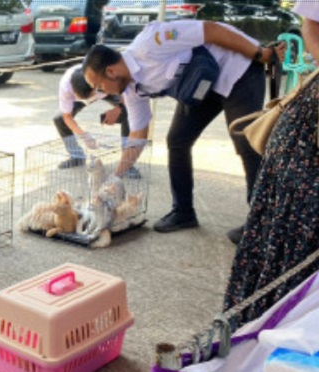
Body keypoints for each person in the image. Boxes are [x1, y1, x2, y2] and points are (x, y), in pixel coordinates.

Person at [81, 20, 284, 243]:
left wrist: (260, 54)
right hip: (201, 86)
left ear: (110, 71)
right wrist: (115, 177)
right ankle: (183, 212)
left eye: (100, 87)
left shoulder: (151, 43)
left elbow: (211, 30)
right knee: (177, 140)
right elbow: (138, 134)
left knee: (247, 142)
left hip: (237, 69)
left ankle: (261, 223)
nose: (102, 93)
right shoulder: (131, 90)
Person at [223, 0, 319, 324]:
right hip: (303, 155)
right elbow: (313, 25)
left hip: (301, 160)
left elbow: (312, 25)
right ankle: (262, 335)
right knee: (287, 250)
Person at [54, 64, 139, 179]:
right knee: (59, 119)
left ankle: (127, 163)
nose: (90, 100)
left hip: (105, 90)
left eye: (91, 95)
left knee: (128, 112)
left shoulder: (106, 75)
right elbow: (67, 116)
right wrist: (84, 136)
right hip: (88, 92)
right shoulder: (66, 86)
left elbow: (128, 91)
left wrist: (118, 108)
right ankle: (77, 156)